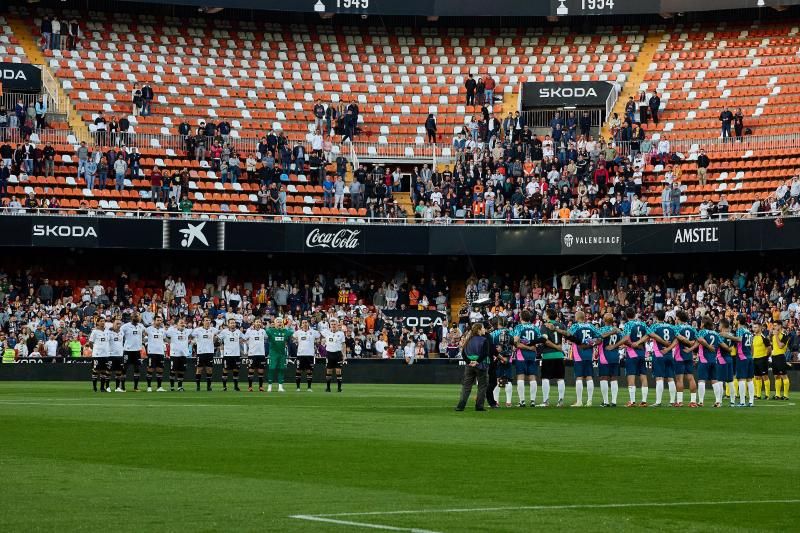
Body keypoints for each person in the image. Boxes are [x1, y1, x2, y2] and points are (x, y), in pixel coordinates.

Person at [565, 310, 602, 407]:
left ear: (577, 318)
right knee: (589, 376)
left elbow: (568, 336)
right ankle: (589, 401)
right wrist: (592, 342)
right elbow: (599, 338)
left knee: (579, 377)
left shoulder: (575, 326)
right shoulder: (591, 326)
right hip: (589, 354)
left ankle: (579, 401)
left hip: (578, 354)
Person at [454, 322, 490, 412]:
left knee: (466, 386)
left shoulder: (468, 339)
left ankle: (460, 406)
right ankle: (479, 406)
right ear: (478, 330)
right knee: (482, 386)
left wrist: (469, 362)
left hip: (469, 366)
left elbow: (463, 353)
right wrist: (477, 361)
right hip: (481, 365)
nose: (484, 329)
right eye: (482, 328)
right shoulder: (484, 340)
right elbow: (485, 353)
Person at [695, 318, 730, 407]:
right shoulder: (716, 334)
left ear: (703, 324)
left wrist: (708, 346)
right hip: (714, 360)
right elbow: (724, 346)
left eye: (701, 323)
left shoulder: (702, 332)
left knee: (701, 380)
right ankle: (718, 401)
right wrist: (729, 349)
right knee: (714, 380)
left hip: (704, 360)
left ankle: (701, 401)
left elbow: (700, 340)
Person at [511, 309, 541, 407]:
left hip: (521, 355)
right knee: (532, 376)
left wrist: (522, 345)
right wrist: (532, 347)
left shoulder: (519, 327)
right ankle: (532, 401)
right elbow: (540, 341)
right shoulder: (535, 327)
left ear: (521, 318)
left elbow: (515, 341)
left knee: (521, 376)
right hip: (532, 355)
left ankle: (522, 401)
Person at [648, 310, 678, 407]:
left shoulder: (654, 326)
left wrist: (663, 343)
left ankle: (658, 401)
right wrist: (669, 348)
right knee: (670, 378)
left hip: (659, 354)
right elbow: (677, 339)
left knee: (659, 378)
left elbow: (650, 335)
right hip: (669, 354)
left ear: (656, 317)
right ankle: (672, 401)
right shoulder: (671, 327)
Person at [621, 308, 649, 407]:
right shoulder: (642, 324)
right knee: (643, 375)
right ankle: (644, 401)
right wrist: (639, 343)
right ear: (634, 314)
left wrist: (633, 344)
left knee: (631, 375)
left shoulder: (627, 325)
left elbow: (626, 338)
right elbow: (648, 335)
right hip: (642, 352)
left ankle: (632, 401)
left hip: (632, 353)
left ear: (626, 316)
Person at [539, 308, 567, 407]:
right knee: (560, 378)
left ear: (548, 315)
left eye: (545, 314)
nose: (544, 315)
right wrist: (559, 348)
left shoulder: (544, 326)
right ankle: (561, 400)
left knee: (545, 378)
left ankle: (546, 401)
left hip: (548, 355)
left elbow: (545, 341)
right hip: (559, 356)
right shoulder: (561, 325)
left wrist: (555, 347)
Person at [597, 313, 623, 407]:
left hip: (605, 355)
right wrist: (616, 346)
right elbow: (625, 339)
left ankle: (606, 401)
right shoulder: (618, 330)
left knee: (603, 377)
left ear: (604, 320)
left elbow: (599, 338)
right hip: (616, 356)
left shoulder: (601, 329)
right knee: (614, 378)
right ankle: (614, 401)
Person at [489, 318, 513, 408]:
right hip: (508, 357)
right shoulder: (511, 332)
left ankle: (496, 401)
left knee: (497, 379)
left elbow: (490, 344)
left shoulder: (494, 333)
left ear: (498, 323)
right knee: (508, 379)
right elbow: (515, 342)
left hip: (496, 358)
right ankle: (508, 402)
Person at [266, 317, 294, 392]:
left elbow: (292, 331)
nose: (279, 323)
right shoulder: (271, 331)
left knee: (281, 369)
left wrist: (288, 324)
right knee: (272, 368)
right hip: (273, 354)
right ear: (275, 323)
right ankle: (269, 386)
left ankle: (280, 386)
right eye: (278, 322)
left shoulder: (285, 331)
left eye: (281, 322)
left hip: (282, 354)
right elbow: (266, 330)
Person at [120, 312, 145, 392]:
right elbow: (119, 335)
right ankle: (122, 387)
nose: (137, 318)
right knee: (124, 369)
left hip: (137, 351)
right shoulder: (125, 326)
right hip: (127, 351)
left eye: (138, 316)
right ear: (131, 317)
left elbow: (145, 334)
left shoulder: (141, 326)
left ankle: (136, 387)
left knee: (137, 369)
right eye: (135, 316)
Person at [191, 317, 217, 392]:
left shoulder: (214, 329)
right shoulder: (198, 330)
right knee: (199, 369)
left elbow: (219, 334)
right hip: (200, 352)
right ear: (203, 321)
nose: (208, 322)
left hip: (210, 352)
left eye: (209, 320)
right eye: (206, 320)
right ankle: (198, 386)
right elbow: (192, 335)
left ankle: (209, 386)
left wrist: (216, 338)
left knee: (209, 370)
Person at [293, 319, 320, 392]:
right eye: (303, 322)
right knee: (298, 370)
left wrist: (317, 341)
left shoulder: (313, 332)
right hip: (300, 354)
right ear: (301, 324)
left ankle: (309, 387)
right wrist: (295, 341)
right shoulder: (298, 332)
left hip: (310, 354)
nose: (305, 324)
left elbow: (319, 337)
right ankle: (298, 387)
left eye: (306, 322)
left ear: (308, 323)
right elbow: (293, 338)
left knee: (309, 371)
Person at [322, 319, 347, 392]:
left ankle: (339, 388)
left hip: (338, 354)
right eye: (332, 324)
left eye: (334, 324)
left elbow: (343, 344)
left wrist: (344, 355)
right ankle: (328, 388)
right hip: (329, 354)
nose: (333, 326)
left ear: (337, 325)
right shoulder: (326, 332)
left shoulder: (341, 333)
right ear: (330, 325)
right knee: (328, 371)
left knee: (338, 371)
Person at [166, 318, 191, 392]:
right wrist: (169, 342)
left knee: (181, 371)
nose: (183, 324)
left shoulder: (187, 331)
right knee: (173, 371)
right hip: (174, 354)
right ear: (177, 324)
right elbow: (165, 335)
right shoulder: (172, 331)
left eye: (183, 322)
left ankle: (180, 387)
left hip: (183, 354)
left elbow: (193, 335)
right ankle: (172, 387)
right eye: (181, 323)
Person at [218, 318, 243, 392]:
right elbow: (218, 339)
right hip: (227, 355)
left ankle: (236, 386)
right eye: (231, 323)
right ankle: (224, 387)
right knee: (225, 370)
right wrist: (221, 345)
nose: (233, 324)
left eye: (234, 323)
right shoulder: (224, 332)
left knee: (236, 371)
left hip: (236, 354)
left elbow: (244, 339)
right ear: (228, 324)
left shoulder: (239, 332)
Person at [244, 318, 267, 392]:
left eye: (259, 322)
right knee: (251, 370)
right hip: (252, 354)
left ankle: (261, 387)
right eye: (257, 322)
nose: (258, 323)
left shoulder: (263, 331)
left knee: (261, 371)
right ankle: (250, 387)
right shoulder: (249, 331)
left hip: (261, 354)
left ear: (261, 323)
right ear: (254, 323)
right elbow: (244, 339)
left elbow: (267, 338)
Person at [88, 316, 110, 392]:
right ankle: (94, 387)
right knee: (96, 370)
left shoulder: (107, 331)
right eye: (101, 321)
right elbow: (90, 342)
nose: (103, 322)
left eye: (104, 321)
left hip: (106, 354)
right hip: (97, 354)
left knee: (104, 371)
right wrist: (94, 349)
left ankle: (102, 388)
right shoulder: (94, 331)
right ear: (97, 322)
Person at [145, 315, 167, 392]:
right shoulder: (148, 329)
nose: (159, 322)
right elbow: (143, 336)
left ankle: (159, 387)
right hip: (152, 352)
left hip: (160, 352)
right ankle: (149, 387)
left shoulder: (163, 330)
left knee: (160, 369)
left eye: (160, 320)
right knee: (150, 369)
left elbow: (164, 339)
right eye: (158, 320)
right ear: (154, 321)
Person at [770, 322, 791, 400]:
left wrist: (776, 335)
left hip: (781, 357)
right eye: (773, 325)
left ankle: (786, 395)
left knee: (783, 375)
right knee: (776, 376)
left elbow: (780, 346)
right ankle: (777, 395)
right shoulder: (773, 335)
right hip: (774, 357)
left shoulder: (785, 336)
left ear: (780, 326)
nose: (774, 327)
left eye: (775, 325)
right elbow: (774, 346)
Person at [752, 322, 771, 400]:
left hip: (762, 359)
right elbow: (753, 348)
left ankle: (767, 395)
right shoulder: (753, 337)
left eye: (756, 327)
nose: (754, 329)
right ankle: (758, 395)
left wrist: (766, 357)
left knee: (765, 376)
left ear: (760, 328)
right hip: (755, 359)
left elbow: (769, 348)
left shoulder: (764, 337)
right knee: (757, 377)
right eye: (753, 327)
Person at [107, 318, 125, 392]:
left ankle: (117, 387)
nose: (118, 325)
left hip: (120, 355)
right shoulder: (108, 332)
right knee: (109, 371)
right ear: (113, 324)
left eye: (119, 324)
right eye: (116, 324)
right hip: (111, 355)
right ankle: (107, 387)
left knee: (119, 372)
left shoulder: (122, 332)